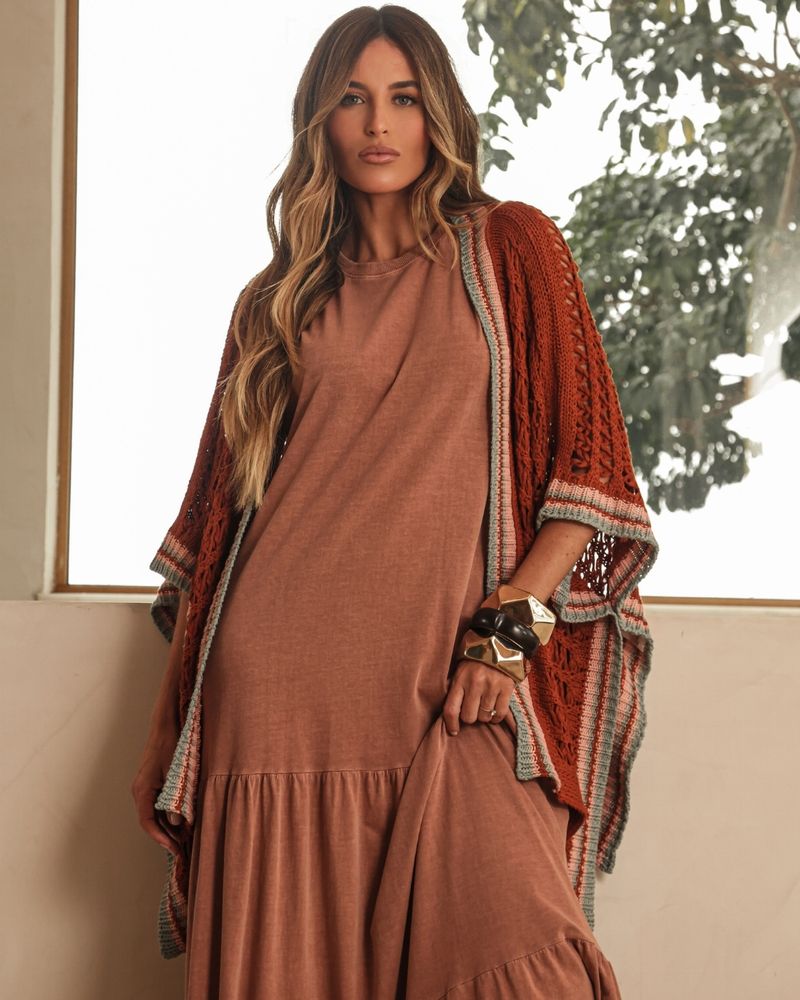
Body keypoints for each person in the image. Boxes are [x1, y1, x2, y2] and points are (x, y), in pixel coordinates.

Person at [131, 5, 658, 998]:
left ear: (438, 114)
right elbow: (217, 529)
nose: (379, 123)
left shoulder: (511, 249)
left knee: (527, 963)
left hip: (449, 677)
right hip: (277, 695)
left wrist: (507, 635)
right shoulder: (275, 302)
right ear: (320, 123)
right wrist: (170, 728)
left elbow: (585, 476)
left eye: (404, 98)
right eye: (353, 99)